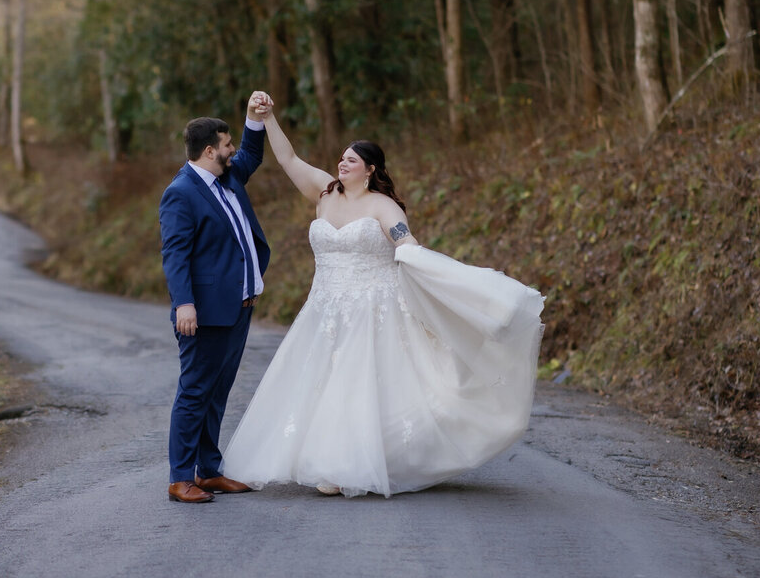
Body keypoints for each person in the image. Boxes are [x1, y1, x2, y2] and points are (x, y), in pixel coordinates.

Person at [220, 95, 545, 497]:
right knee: (321, 383)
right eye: (341, 159)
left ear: (371, 170)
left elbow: (402, 239)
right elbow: (288, 159)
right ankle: (329, 460)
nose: (342, 164)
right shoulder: (324, 193)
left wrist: (414, 253)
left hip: (372, 307)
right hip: (325, 307)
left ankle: (351, 464)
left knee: (362, 386)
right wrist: (266, 118)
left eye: (351, 161)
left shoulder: (382, 205)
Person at [158, 93, 272, 503]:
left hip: (239, 307)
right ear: (210, 151)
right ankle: (179, 477)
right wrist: (184, 303)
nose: (233, 151)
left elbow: (252, 156)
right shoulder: (181, 192)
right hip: (203, 312)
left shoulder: (226, 177)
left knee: (217, 392)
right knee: (194, 392)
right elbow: (174, 253)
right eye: (227, 145)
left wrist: (252, 118)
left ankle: (207, 470)